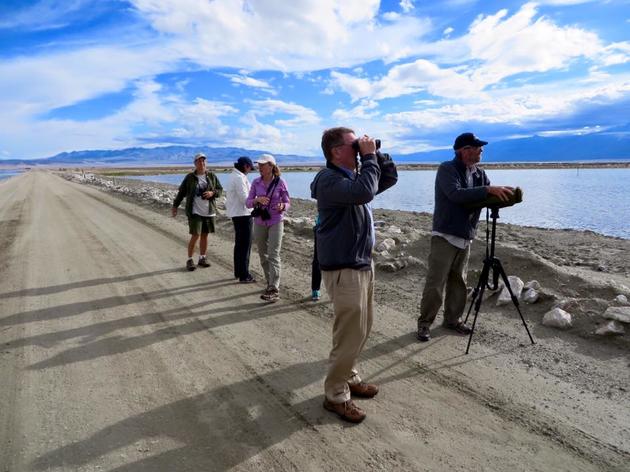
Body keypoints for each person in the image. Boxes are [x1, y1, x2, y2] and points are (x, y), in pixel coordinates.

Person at [311, 126, 397, 423]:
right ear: (336, 151)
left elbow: (387, 179)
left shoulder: (350, 178)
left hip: (360, 262)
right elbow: (365, 191)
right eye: (353, 145)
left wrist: (376, 154)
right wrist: (369, 156)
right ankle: (335, 395)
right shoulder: (329, 180)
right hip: (343, 266)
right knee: (349, 334)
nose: (359, 149)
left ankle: (349, 376)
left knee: (362, 328)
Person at [416, 132, 514, 342]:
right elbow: (456, 194)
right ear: (464, 150)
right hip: (445, 234)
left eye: (480, 148)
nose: (481, 151)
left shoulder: (480, 174)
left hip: (465, 235)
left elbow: (484, 196)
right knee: (436, 282)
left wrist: (506, 197)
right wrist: (488, 189)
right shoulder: (447, 169)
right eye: (477, 147)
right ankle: (424, 323)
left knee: (459, 282)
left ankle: (453, 320)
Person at [246, 154, 290, 302]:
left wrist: (283, 206)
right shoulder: (256, 182)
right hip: (259, 221)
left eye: (263, 165)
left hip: (276, 221)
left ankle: (274, 287)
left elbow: (287, 202)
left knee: (273, 254)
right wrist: (257, 200)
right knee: (263, 255)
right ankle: (269, 282)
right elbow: (247, 203)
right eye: (258, 165)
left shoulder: (280, 182)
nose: (259, 167)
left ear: (271, 166)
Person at [172, 152, 223, 271]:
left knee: (205, 235)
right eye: (199, 161)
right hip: (195, 211)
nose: (202, 163)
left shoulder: (211, 176)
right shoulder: (190, 177)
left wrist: (212, 193)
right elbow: (181, 193)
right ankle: (190, 260)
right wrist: (175, 206)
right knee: (196, 235)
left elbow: (220, 190)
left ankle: (202, 258)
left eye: (204, 161)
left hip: (209, 211)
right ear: (195, 163)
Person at [226, 156, 256, 283]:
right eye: (249, 168)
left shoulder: (235, 176)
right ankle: (244, 275)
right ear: (245, 166)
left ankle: (239, 272)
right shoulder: (239, 178)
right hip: (243, 214)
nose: (250, 170)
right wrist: (257, 201)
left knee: (240, 245)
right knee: (245, 245)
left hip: (238, 214)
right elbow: (245, 199)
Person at [311, 215, 321, 301]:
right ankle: (315, 289)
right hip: (322, 225)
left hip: (341, 226)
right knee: (318, 259)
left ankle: (339, 291)